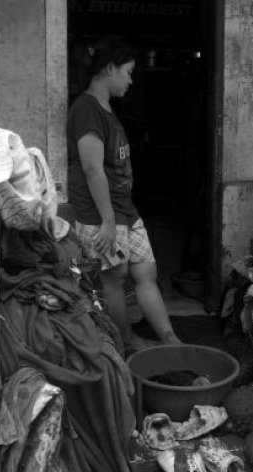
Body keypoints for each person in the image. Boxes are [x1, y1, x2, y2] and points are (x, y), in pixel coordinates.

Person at [66, 37, 182, 354]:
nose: (131, 80)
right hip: (101, 214)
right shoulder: (87, 109)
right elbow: (92, 168)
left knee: (146, 271)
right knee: (114, 277)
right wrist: (107, 222)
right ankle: (127, 342)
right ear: (109, 68)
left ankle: (170, 340)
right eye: (128, 72)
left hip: (125, 210)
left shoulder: (107, 110)